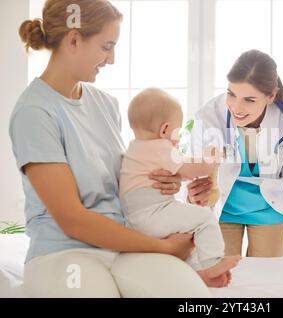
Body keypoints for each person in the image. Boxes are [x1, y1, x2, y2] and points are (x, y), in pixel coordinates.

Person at [9, 0, 210, 297]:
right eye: (106, 46)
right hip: (64, 253)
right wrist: (163, 247)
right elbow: (72, 220)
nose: (112, 59)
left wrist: (166, 182)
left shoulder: (105, 105)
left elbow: (123, 185)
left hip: (123, 246)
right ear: (74, 39)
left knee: (192, 297)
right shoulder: (35, 112)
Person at [187, 50, 283, 258]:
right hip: (223, 208)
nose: (236, 107)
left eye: (249, 100)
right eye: (231, 94)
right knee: (225, 281)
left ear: (271, 96)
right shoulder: (208, 117)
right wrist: (193, 193)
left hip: (269, 209)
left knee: (264, 282)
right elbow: (197, 169)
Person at [119, 88, 241, 288]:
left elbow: (180, 174)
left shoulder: (135, 149)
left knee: (190, 231)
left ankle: (198, 274)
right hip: (153, 214)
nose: (178, 138)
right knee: (203, 219)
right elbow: (195, 168)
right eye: (178, 130)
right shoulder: (160, 147)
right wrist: (211, 157)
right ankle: (213, 263)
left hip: (136, 219)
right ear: (165, 129)